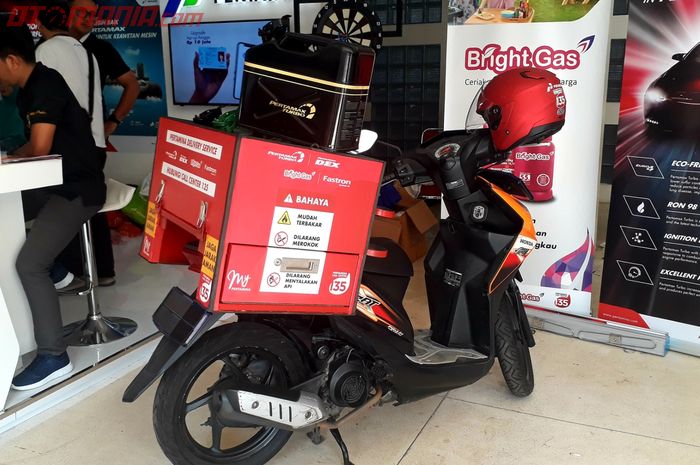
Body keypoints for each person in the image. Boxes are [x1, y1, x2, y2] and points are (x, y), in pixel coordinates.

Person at [0, 18, 105, 390]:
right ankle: (59, 270)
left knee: (29, 264)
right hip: (52, 186)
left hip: (77, 190)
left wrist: (14, 156)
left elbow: (40, 148)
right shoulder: (28, 89)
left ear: (12, 60)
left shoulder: (44, 85)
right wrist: (13, 156)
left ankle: (52, 356)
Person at [63, 0, 141, 287]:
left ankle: (100, 272)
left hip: (91, 142)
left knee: (90, 204)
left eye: (92, 14)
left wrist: (114, 121)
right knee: (68, 204)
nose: (87, 18)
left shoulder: (99, 47)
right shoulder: (53, 46)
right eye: (81, 12)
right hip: (61, 140)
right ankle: (75, 273)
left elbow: (132, 84)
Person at [33, 0, 106, 292]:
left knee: (57, 209)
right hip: (95, 144)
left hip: (69, 149)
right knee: (86, 211)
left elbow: (45, 101)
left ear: (40, 26)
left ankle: (65, 276)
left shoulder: (45, 51)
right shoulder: (86, 53)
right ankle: (96, 274)